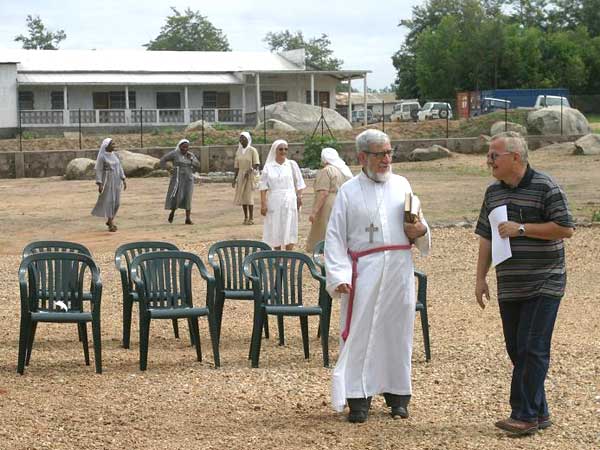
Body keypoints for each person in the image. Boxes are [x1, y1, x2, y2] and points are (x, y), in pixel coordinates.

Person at [324, 129, 431, 423]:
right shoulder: (348, 192)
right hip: (364, 274)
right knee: (360, 333)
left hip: (399, 271)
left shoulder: (402, 184)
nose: (387, 159)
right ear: (362, 157)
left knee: (397, 333)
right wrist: (338, 275)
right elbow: (335, 238)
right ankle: (358, 398)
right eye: (380, 154)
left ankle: (398, 396)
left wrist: (420, 231)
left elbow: (419, 224)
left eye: (389, 152)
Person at [475, 131, 574, 436]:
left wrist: (521, 228)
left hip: (545, 280)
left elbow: (565, 228)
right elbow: (486, 236)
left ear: (515, 157)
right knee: (517, 349)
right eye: (488, 155)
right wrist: (480, 277)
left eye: (494, 155)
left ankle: (524, 415)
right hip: (510, 283)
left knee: (533, 347)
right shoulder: (493, 193)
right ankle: (540, 411)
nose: (488, 161)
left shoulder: (546, 187)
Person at [259, 139, 306, 250]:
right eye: (281, 149)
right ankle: (278, 254)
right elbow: (263, 187)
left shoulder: (292, 165)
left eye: (286, 149)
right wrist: (263, 204)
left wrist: (299, 197)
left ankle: (289, 254)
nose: (283, 151)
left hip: (290, 199)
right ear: (275, 150)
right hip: (274, 200)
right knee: (276, 225)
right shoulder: (268, 167)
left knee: (289, 225)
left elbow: (299, 183)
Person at [305, 147, 352, 252]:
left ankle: (323, 249)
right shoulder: (342, 170)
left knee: (324, 227)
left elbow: (323, 192)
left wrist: (314, 211)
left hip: (328, 203)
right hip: (341, 200)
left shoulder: (326, 171)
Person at [160, 139, 200, 225]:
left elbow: (198, 164)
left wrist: (191, 159)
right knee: (178, 196)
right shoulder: (174, 154)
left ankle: (188, 218)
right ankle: (172, 212)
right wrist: (168, 169)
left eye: (187, 147)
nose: (185, 149)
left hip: (188, 179)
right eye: (183, 147)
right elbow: (163, 160)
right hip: (178, 179)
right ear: (179, 146)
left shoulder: (190, 155)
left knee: (188, 197)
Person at [91, 137, 126, 232]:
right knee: (110, 201)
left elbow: (120, 167)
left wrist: (123, 178)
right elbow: (99, 170)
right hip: (108, 181)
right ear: (106, 146)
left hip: (117, 180)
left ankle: (110, 219)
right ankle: (111, 223)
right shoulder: (102, 157)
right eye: (112, 144)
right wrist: (100, 183)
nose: (114, 146)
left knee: (117, 203)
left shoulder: (116, 155)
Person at [232, 131, 260, 225]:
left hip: (249, 176)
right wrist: (234, 178)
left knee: (249, 197)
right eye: (240, 138)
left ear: (248, 139)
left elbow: (256, 164)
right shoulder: (238, 151)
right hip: (241, 175)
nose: (242, 140)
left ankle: (251, 218)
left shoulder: (252, 150)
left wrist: (250, 170)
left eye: (243, 138)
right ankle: (245, 217)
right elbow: (236, 166)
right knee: (243, 197)